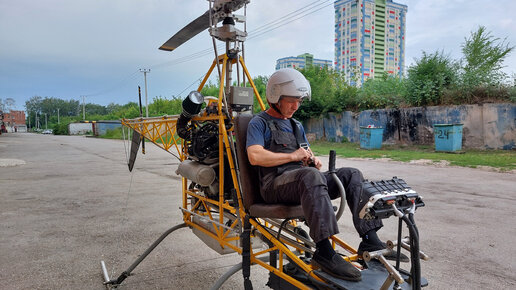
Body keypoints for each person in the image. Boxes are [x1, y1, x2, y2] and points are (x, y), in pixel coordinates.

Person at [246, 68, 406, 281]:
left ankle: (369, 238)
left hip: (301, 181)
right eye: (291, 100)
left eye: (299, 101)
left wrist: (312, 160)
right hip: (273, 185)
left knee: (351, 174)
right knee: (310, 176)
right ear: (275, 96)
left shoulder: (296, 126)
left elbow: (306, 154)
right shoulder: (259, 123)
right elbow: (255, 156)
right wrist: (294, 157)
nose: (296, 106)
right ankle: (324, 251)